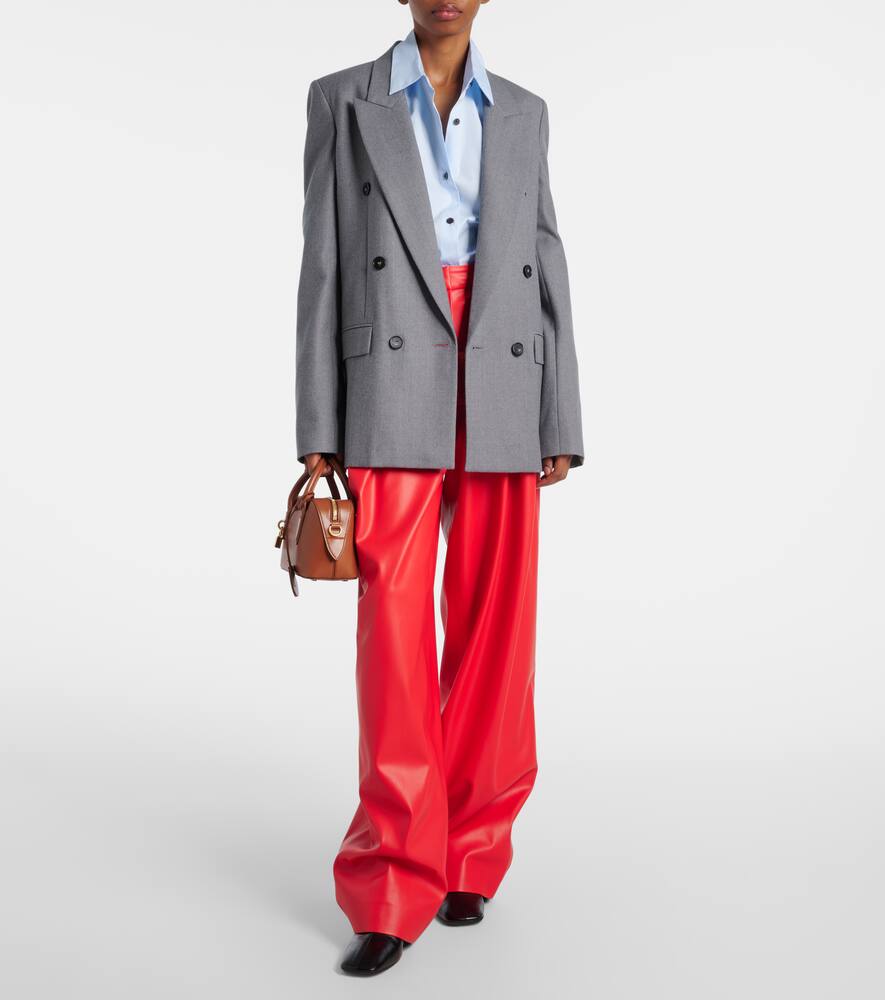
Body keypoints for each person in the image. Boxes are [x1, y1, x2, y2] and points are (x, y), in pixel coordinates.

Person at [295, 0, 584, 977]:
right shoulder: (342, 99)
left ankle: (470, 853)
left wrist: (560, 416)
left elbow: (545, 260)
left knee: (498, 629)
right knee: (393, 637)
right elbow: (323, 264)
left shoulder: (525, 111)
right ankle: (391, 883)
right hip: (390, 371)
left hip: (503, 371)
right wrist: (319, 427)